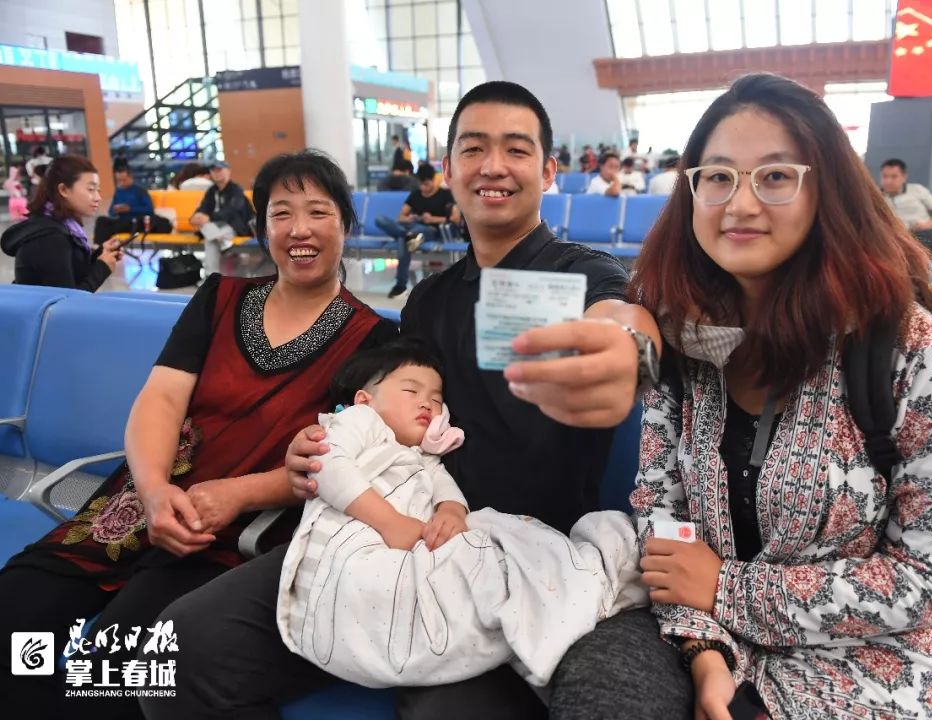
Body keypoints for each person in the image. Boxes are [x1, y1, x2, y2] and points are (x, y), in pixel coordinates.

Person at [143, 79, 661, 720]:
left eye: (516, 150)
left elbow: (624, 317)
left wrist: (626, 350)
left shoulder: (580, 273)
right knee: (179, 651)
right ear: (449, 169)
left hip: (512, 557)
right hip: (396, 532)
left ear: (550, 170)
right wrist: (326, 439)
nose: (493, 166)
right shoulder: (430, 300)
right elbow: (391, 408)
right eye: (473, 148)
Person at [551, 73, 932, 720]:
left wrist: (727, 588)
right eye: (717, 177)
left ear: (825, 191)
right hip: (705, 623)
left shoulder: (909, 348)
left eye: (776, 177)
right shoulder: (686, 339)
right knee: (598, 687)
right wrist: (707, 652)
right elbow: (664, 517)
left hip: (872, 661)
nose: (740, 204)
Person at [0, 150, 397, 720]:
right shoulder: (219, 299)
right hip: (137, 503)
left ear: (345, 223)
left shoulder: (372, 341)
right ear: (262, 227)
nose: (299, 230)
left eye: (318, 212)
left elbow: (342, 458)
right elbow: (162, 399)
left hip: (233, 535)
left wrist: (237, 494)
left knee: (114, 676)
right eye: (281, 213)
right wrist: (150, 492)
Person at [277, 339, 644, 689]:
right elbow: (325, 462)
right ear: (364, 399)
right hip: (357, 554)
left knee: (489, 539)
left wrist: (451, 511)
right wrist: (391, 522)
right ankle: (583, 583)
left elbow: (446, 493)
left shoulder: (424, 459)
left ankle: (563, 587)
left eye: (436, 400)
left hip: (408, 551)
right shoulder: (362, 423)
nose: (426, 404)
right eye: (410, 391)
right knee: (482, 561)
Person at [0, 155, 123, 292]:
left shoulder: (60, 225)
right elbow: (65, 304)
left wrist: (99, 254)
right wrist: (102, 269)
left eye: (97, 190)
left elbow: (70, 269)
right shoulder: (50, 238)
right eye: (91, 189)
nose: (98, 198)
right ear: (63, 190)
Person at [374, 163, 459, 299]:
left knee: (409, 237)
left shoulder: (445, 195)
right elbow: (401, 217)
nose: (423, 188)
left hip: (429, 230)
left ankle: (400, 286)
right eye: (421, 184)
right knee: (380, 220)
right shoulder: (415, 194)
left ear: (434, 180)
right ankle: (407, 234)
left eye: (426, 184)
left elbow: (455, 219)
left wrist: (432, 219)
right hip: (411, 227)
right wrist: (410, 218)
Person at [189, 160, 255, 276]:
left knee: (209, 238)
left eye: (219, 170)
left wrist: (208, 217)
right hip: (216, 228)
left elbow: (231, 211)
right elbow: (204, 207)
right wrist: (195, 217)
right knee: (211, 238)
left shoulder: (236, 190)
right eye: (213, 170)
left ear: (228, 171)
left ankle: (211, 278)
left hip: (235, 227)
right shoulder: (212, 191)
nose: (216, 173)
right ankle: (223, 242)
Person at [879, 158, 932, 259]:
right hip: (895, 238)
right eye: (885, 176)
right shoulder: (877, 197)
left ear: (904, 177)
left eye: (894, 177)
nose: (888, 181)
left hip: (923, 233)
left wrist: (927, 225)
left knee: (921, 239)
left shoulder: (917, 190)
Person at [93, 165, 155, 244]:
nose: (121, 183)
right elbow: (110, 212)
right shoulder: (118, 192)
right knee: (101, 220)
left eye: (124, 180)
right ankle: (99, 248)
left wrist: (129, 209)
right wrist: (116, 210)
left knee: (110, 229)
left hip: (135, 222)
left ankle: (103, 248)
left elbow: (149, 210)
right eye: (119, 181)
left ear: (130, 177)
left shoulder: (140, 191)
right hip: (121, 221)